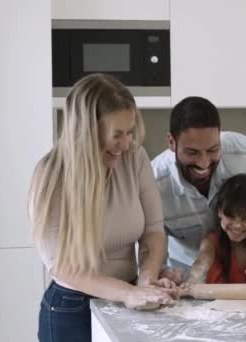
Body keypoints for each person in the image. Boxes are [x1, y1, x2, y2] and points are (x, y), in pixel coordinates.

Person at [28, 73, 176, 342]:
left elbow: (153, 230)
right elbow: (61, 265)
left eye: (129, 132)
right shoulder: (50, 175)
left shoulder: (135, 159)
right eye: (116, 135)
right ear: (86, 132)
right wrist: (128, 293)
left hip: (128, 297)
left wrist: (147, 280)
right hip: (71, 309)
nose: (126, 144)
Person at [151, 96, 246, 286]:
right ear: (171, 142)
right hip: (186, 284)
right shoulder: (155, 182)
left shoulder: (245, 155)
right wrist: (162, 274)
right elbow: (152, 248)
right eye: (192, 152)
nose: (204, 163)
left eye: (212, 150)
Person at [184, 174, 246, 285]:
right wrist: (194, 277)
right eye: (230, 216)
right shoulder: (211, 242)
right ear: (219, 212)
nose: (237, 225)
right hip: (215, 301)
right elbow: (202, 261)